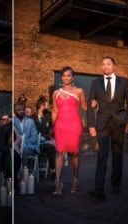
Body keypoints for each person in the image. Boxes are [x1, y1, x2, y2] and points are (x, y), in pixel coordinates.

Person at [87, 56, 128, 200]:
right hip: (102, 123)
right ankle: (98, 189)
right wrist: (91, 125)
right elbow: (90, 106)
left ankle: (115, 185)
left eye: (108, 64)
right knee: (101, 155)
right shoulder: (96, 83)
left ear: (114, 66)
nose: (105, 66)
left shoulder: (124, 82)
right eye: (103, 64)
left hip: (119, 123)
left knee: (117, 154)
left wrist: (127, 117)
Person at [52, 66, 88, 195]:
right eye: (64, 75)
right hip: (60, 126)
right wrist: (52, 127)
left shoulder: (79, 91)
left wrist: (94, 105)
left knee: (74, 153)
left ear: (73, 78)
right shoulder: (56, 93)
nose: (66, 77)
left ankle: (75, 180)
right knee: (60, 153)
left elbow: (84, 107)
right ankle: (57, 183)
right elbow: (55, 112)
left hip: (74, 125)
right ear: (61, 77)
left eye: (69, 75)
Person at [33, 95, 56, 177]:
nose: (45, 106)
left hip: (45, 140)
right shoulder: (33, 117)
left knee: (49, 147)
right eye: (44, 105)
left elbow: (51, 129)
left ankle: (53, 170)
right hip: (35, 141)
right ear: (39, 105)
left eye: (46, 105)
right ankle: (36, 171)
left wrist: (45, 137)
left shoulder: (48, 115)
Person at [13, 102, 39, 167]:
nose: (21, 111)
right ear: (14, 111)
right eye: (18, 110)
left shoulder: (30, 121)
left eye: (22, 109)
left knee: (23, 149)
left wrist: (23, 142)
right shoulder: (12, 122)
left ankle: (24, 171)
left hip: (29, 146)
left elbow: (35, 137)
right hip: (15, 146)